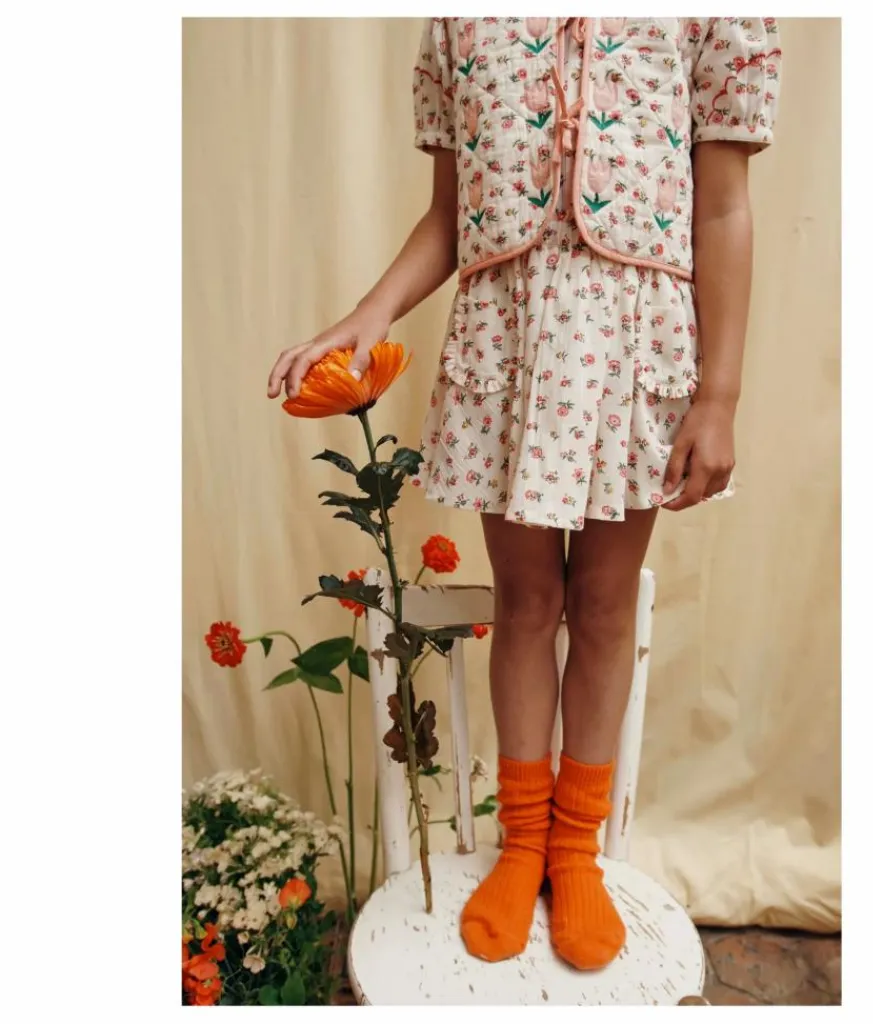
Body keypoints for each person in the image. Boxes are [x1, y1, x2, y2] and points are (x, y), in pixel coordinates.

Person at [268, 17, 781, 971]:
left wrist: (720, 396)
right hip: (504, 340)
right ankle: (524, 844)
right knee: (528, 601)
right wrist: (367, 316)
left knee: (604, 605)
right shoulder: (462, 22)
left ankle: (575, 851)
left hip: (636, 343)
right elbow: (450, 215)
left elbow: (722, 209)